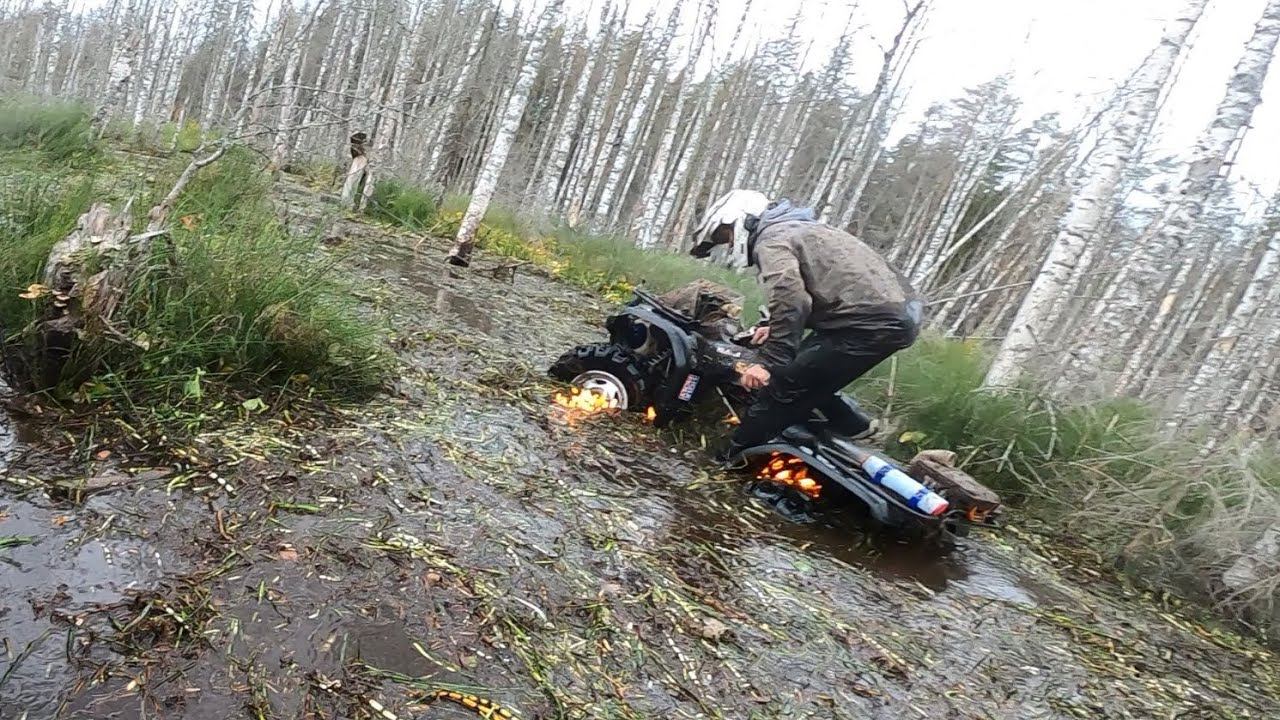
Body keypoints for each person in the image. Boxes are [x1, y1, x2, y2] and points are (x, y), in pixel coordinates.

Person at [688, 190, 923, 461]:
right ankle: (856, 429)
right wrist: (772, 326)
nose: (728, 244)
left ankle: (730, 459)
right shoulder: (802, 229)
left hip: (870, 323)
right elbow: (830, 287)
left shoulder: (772, 240)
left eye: (725, 235)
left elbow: (792, 301)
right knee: (807, 372)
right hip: (891, 315)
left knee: (782, 384)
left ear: (741, 220)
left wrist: (767, 363)